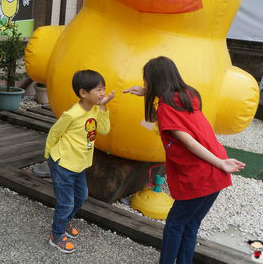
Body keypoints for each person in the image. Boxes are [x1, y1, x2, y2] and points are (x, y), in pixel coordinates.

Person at [124, 56, 245, 264]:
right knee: (191, 224)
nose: (144, 83)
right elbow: (158, 118)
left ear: (155, 81)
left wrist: (220, 162)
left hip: (201, 175)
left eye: (146, 81)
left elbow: (188, 142)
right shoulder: (189, 95)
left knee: (174, 225)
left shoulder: (166, 108)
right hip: (215, 176)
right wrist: (146, 93)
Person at [45, 69, 115, 254]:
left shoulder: (95, 109)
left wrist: (103, 107)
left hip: (79, 164)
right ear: (83, 93)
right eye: (99, 90)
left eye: (104, 89)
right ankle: (57, 235)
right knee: (66, 202)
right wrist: (48, 154)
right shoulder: (72, 114)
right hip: (63, 164)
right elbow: (55, 132)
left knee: (81, 196)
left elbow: (105, 130)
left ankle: (66, 220)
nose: (103, 93)